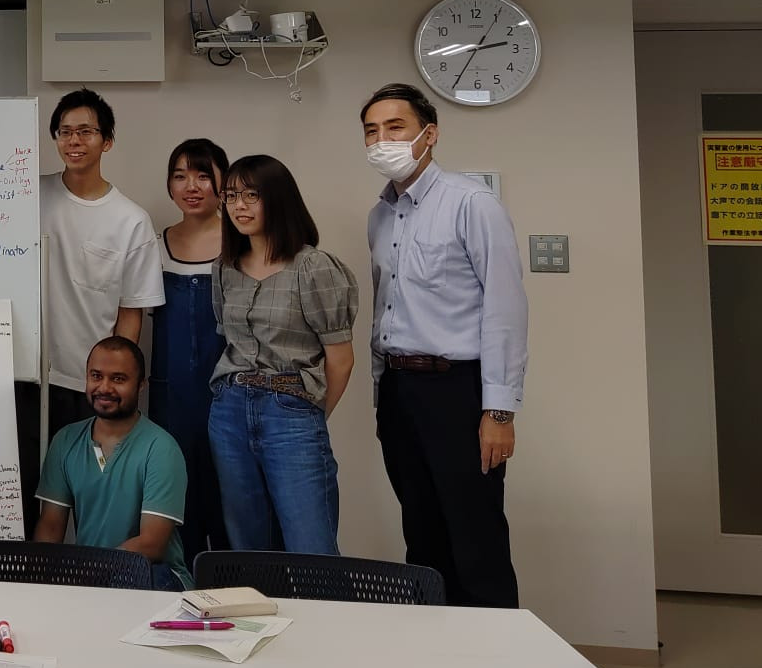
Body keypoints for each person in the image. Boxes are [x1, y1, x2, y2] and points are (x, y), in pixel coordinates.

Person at [363, 82, 527, 608]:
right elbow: (384, 306)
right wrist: (379, 389)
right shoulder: (381, 215)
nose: (381, 140)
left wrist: (499, 410)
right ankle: (438, 657)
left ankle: (495, 665)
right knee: (422, 533)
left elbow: (505, 308)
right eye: (371, 131)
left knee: (475, 537)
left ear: (428, 134)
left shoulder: (471, 204)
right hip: (399, 388)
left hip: (458, 391)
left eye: (395, 128)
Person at [18, 89, 164, 526]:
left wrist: (112, 382)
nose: (74, 141)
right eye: (64, 132)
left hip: (84, 382)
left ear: (108, 140)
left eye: (85, 131)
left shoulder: (130, 219)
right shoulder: (26, 196)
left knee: (86, 502)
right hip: (20, 374)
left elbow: (131, 309)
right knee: (21, 496)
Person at [207, 155, 357, 556]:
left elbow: (340, 359)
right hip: (229, 411)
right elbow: (228, 339)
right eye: (232, 196)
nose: (239, 206)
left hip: (290, 407)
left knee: (312, 548)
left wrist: (308, 413)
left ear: (279, 199)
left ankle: (323, 620)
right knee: (248, 546)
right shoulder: (224, 268)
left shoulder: (314, 267)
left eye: (252, 195)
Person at [35, 336, 190, 590]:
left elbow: (152, 544)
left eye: (118, 379)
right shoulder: (66, 440)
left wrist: (83, 573)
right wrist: (40, 583)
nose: (104, 387)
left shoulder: (161, 448)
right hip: (90, 578)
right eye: (96, 376)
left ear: (141, 385)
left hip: (152, 578)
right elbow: (50, 529)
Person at [150, 137, 230, 560]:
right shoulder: (154, 246)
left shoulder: (242, 242)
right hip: (171, 397)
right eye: (180, 176)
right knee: (176, 500)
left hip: (230, 397)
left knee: (233, 500)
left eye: (202, 174)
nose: (191, 185)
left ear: (223, 182)